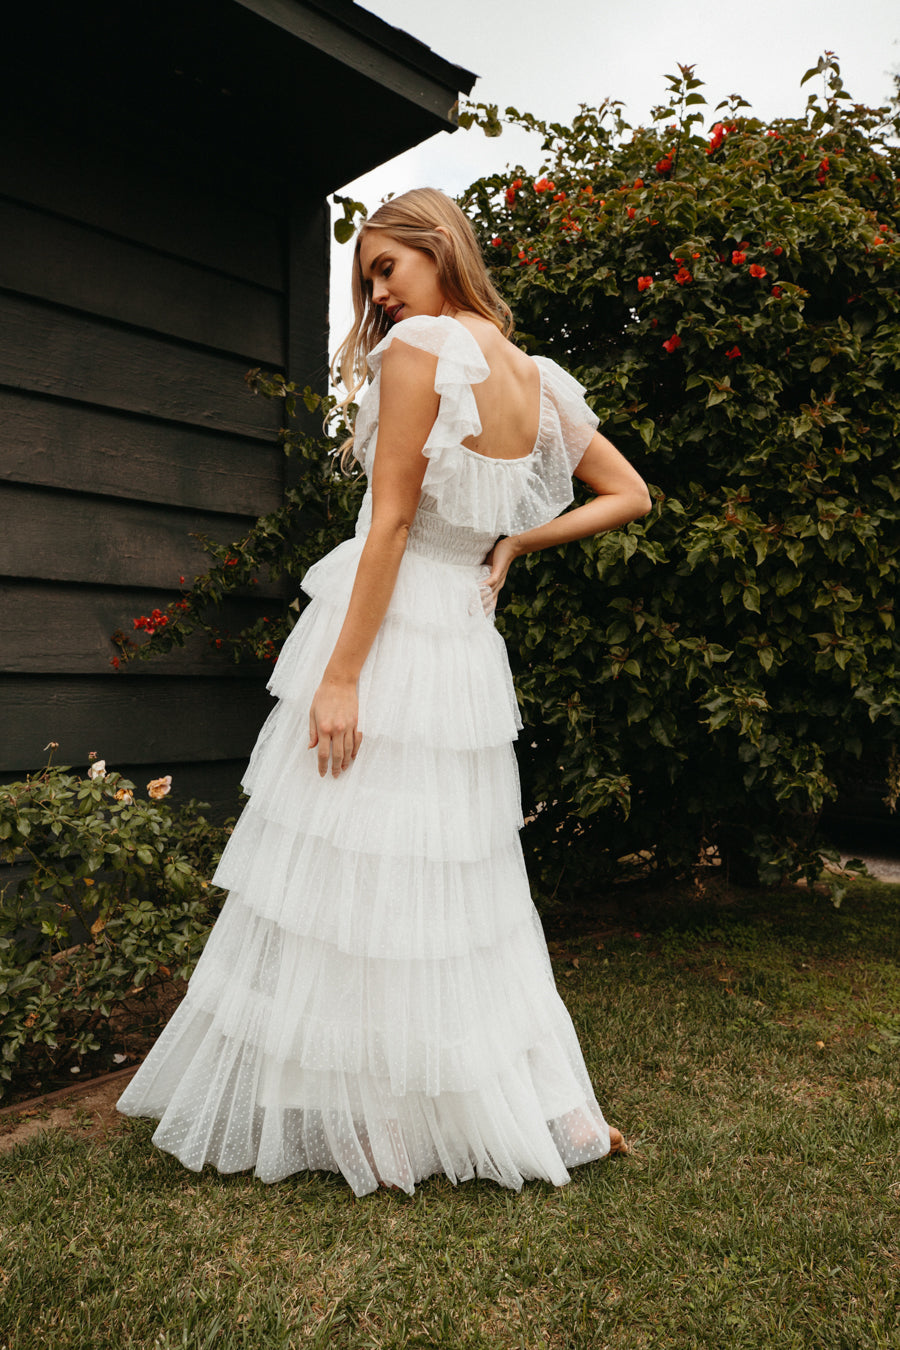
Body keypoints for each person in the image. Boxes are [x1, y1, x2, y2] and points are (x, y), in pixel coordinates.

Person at [117, 187, 651, 1196]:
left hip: (394, 633)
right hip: (462, 645)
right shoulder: (535, 379)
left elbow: (394, 524)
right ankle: (519, 1108)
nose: (378, 294)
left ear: (439, 246)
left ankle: (384, 1122)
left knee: (353, 877)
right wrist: (513, 541)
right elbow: (630, 493)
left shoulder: (421, 351)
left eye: (386, 268)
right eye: (368, 280)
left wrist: (341, 677)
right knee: (452, 888)